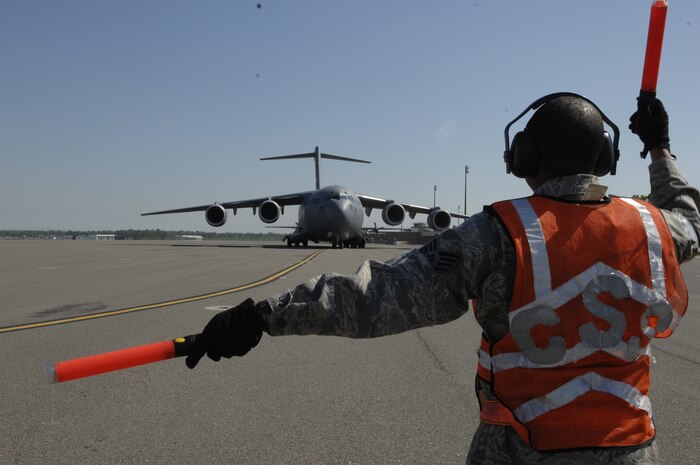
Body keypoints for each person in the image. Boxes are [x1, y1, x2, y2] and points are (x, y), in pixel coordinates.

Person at [185, 93, 699, 464]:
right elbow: (689, 218)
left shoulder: (500, 235)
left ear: (525, 157)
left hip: (521, 449)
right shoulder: (654, 229)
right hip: (631, 450)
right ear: (604, 157)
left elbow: (376, 298)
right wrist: (660, 149)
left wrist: (262, 317)